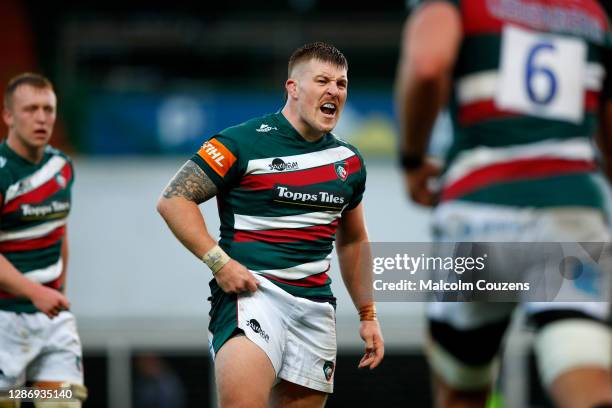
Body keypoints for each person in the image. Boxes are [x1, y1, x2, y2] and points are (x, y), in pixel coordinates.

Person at [396, 1, 612, 408]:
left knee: (461, 385)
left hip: (480, 210)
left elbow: (426, 65)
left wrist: (411, 159)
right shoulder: (591, 14)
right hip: (570, 211)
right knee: (581, 367)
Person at [157, 42, 384, 407]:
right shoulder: (241, 142)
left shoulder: (349, 161)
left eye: (341, 84)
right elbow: (173, 200)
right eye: (323, 80)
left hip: (315, 308)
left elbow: (354, 240)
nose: (334, 91)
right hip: (252, 296)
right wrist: (219, 262)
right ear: (292, 88)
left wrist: (368, 314)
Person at [0, 73, 87, 408]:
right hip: (6, 316)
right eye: (31, 109)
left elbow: (58, 229)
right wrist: (35, 292)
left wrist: (57, 290)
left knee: (62, 402)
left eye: (48, 109)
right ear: (8, 116)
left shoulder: (62, 166)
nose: (41, 118)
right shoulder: (3, 172)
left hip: (51, 320)